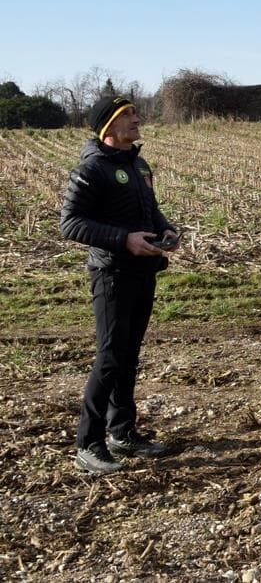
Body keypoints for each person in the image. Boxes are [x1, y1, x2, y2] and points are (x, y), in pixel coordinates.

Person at [60, 95, 180, 474]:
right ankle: (88, 443)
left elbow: (149, 207)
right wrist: (123, 239)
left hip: (143, 271)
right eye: (127, 115)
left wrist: (165, 229)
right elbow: (71, 223)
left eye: (134, 112)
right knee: (110, 357)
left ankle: (123, 432)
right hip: (111, 274)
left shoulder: (138, 164)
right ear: (108, 126)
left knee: (128, 355)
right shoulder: (92, 169)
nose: (136, 119)